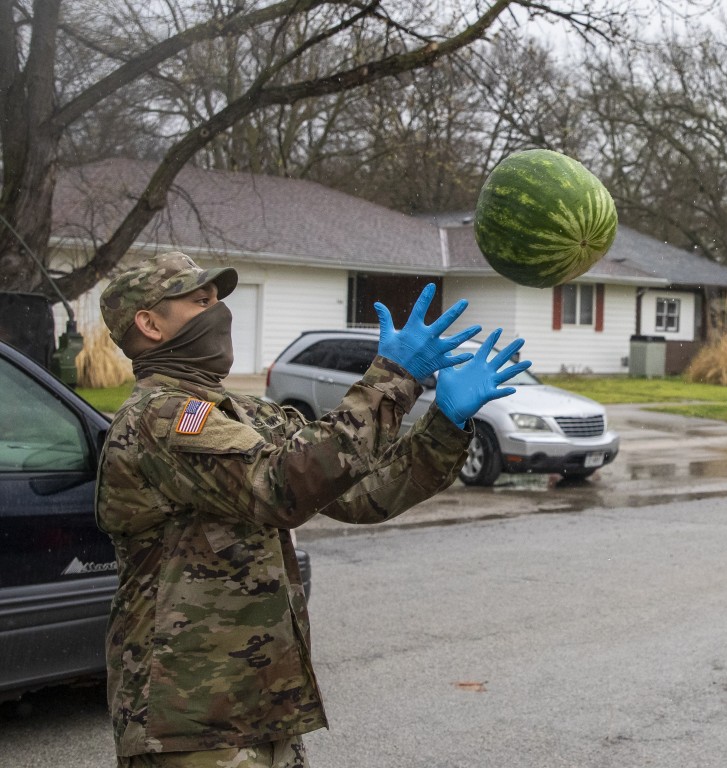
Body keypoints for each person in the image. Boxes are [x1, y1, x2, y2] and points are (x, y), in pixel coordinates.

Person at [96, 251, 530, 767]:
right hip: (191, 721)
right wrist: (392, 377)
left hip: (260, 705)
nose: (218, 311)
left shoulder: (242, 413)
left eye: (217, 299)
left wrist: (445, 422)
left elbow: (362, 493)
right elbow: (282, 486)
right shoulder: (159, 420)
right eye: (199, 301)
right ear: (149, 323)